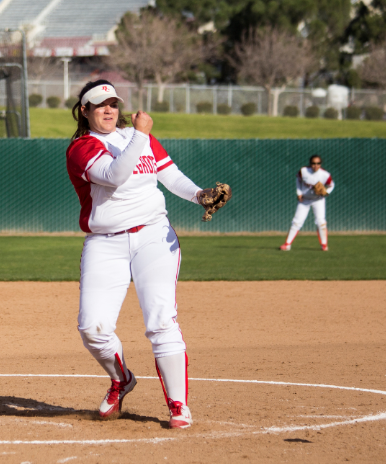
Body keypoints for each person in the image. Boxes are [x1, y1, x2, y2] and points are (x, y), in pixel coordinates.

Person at [66, 79, 223, 429]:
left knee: (161, 320)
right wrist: (140, 134)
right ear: (85, 110)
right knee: (92, 328)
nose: (109, 110)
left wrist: (200, 194)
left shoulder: (139, 137)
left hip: (154, 236)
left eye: (113, 103)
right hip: (106, 242)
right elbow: (114, 175)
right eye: (99, 104)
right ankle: (121, 379)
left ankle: (178, 406)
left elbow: (169, 175)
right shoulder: (82, 147)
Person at [279, 155, 335, 251]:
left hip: (318, 200)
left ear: (320, 164)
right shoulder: (304, 171)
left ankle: (324, 245)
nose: (315, 165)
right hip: (304, 200)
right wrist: (299, 192)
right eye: (313, 163)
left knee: (321, 222)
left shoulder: (325, 174)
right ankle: (287, 244)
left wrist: (326, 192)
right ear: (310, 163)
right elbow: (298, 180)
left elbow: (331, 185)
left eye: (318, 163)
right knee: (296, 222)